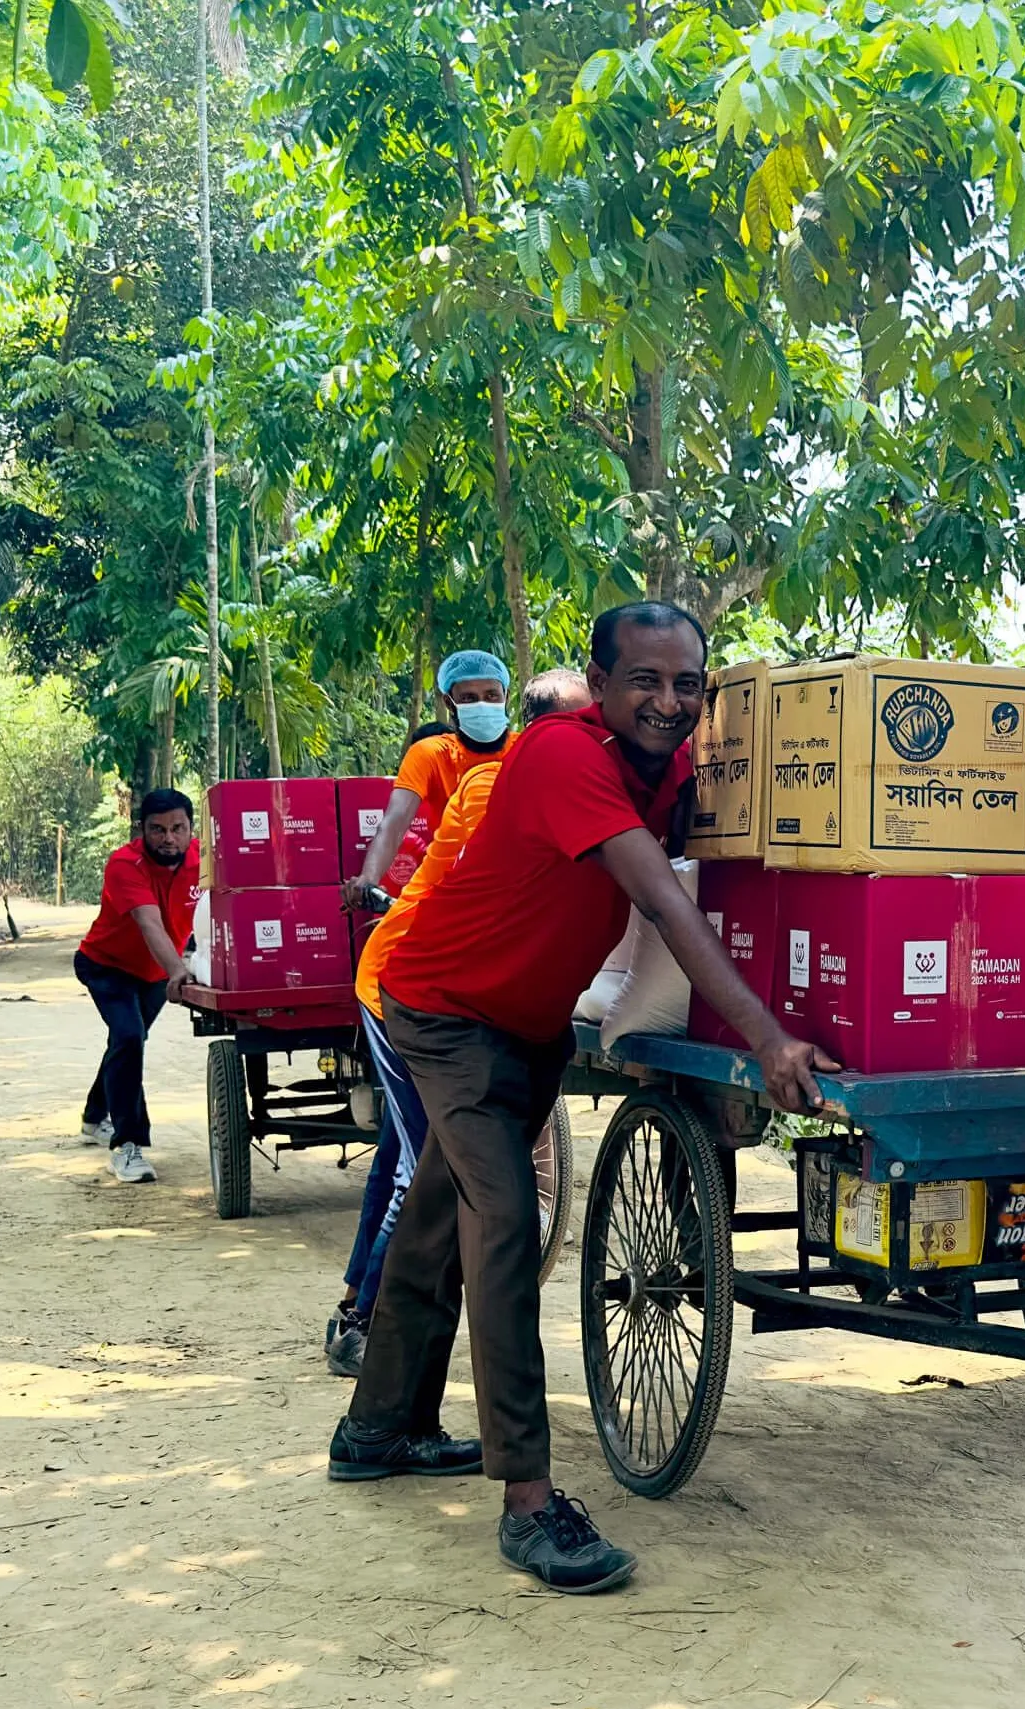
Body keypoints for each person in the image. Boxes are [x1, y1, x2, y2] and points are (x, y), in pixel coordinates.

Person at [328, 605, 836, 1594]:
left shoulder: (670, 766)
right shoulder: (564, 754)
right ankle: (526, 1498)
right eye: (645, 680)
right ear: (599, 685)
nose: (670, 701)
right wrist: (767, 1035)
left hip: (528, 1023)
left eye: (688, 683)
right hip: (442, 1006)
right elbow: (660, 897)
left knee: (437, 1220)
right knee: (507, 1218)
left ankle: (377, 1424)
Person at [328, 667, 595, 1377]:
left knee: (397, 1154)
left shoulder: (518, 780)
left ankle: (355, 1303)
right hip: (410, 993)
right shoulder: (486, 788)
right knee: (425, 1171)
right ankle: (367, 1327)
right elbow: (394, 829)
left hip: (437, 989)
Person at [74, 788, 201, 1184]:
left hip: (155, 973)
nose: (168, 838)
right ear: (141, 830)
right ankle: (127, 1146)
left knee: (127, 1040)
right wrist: (179, 971)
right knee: (130, 1036)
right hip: (106, 966)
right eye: (158, 829)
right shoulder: (124, 864)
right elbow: (150, 923)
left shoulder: (205, 858)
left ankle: (95, 1116)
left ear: (190, 828)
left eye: (178, 828)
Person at [342, 650, 513, 912]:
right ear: (449, 702)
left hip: (520, 889)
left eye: (491, 696)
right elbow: (395, 821)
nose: (482, 704)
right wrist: (369, 878)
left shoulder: (528, 748)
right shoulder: (430, 753)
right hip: (454, 892)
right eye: (468, 698)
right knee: (386, 950)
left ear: (506, 697)